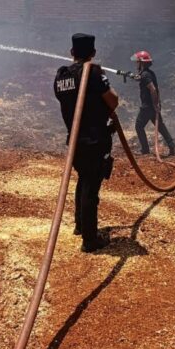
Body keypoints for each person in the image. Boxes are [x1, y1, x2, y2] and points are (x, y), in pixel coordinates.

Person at [54, 33, 119, 253]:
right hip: (95, 139)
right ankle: (90, 240)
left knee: (83, 179)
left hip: (74, 141)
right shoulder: (93, 73)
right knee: (92, 186)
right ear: (93, 53)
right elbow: (113, 100)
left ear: (72, 52)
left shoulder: (61, 77)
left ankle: (80, 226)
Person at [131, 50, 175, 156]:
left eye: (137, 62)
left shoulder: (146, 75)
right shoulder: (148, 73)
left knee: (139, 126)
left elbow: (152, 89)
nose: (136, 64)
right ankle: (172, 147)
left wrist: (155, 105)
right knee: (160, 125)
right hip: (153, 105)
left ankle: (145, 150)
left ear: (141, 62)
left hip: (148, 106)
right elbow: (142, 79)